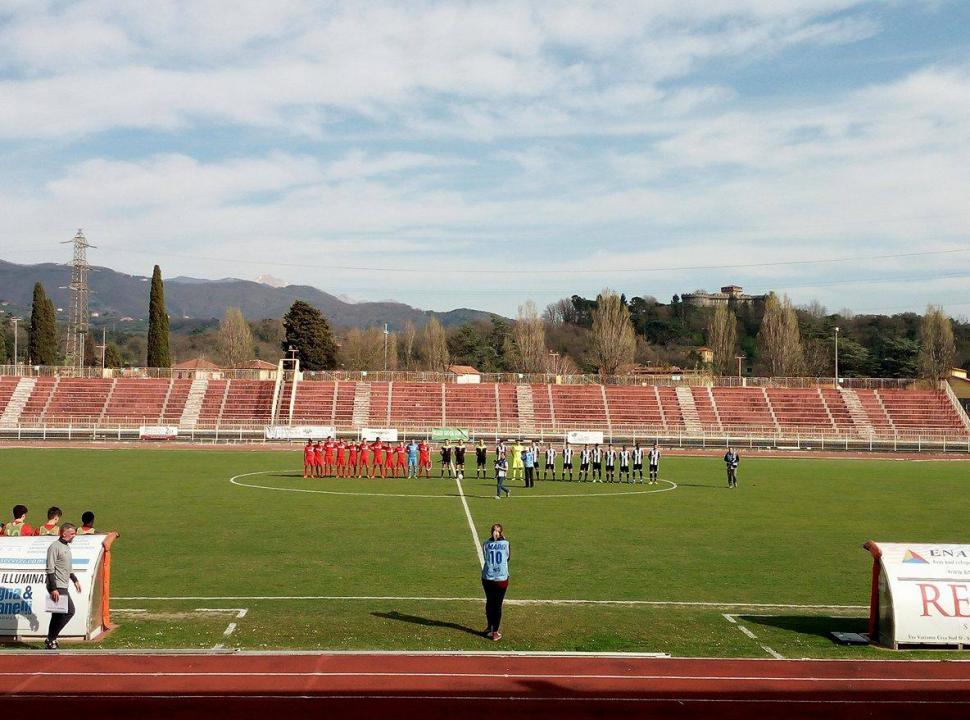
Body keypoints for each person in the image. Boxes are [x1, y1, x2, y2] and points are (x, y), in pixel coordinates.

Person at [45, 523, 81, 650]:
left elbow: (68, 567)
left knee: (57, 615)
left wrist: (75, 580)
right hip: (57, 585)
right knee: (69, 611)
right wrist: (53, 588)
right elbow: (50, 568)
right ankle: (51, 638)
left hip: (63, 584)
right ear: (63, 533)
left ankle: (51, 639)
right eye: (72, 534)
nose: (74, 536)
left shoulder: (66, 547)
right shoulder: (54, 547)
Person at [481, 523, 510, 641]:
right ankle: (495, 632)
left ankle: (489, 626)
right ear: (501, 532)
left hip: (488, 577)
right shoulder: (506, 543)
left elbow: (485, 556)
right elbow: (508, 557)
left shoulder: (486, 544)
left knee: (489, 602)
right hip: (501, 578)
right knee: (497, 605)